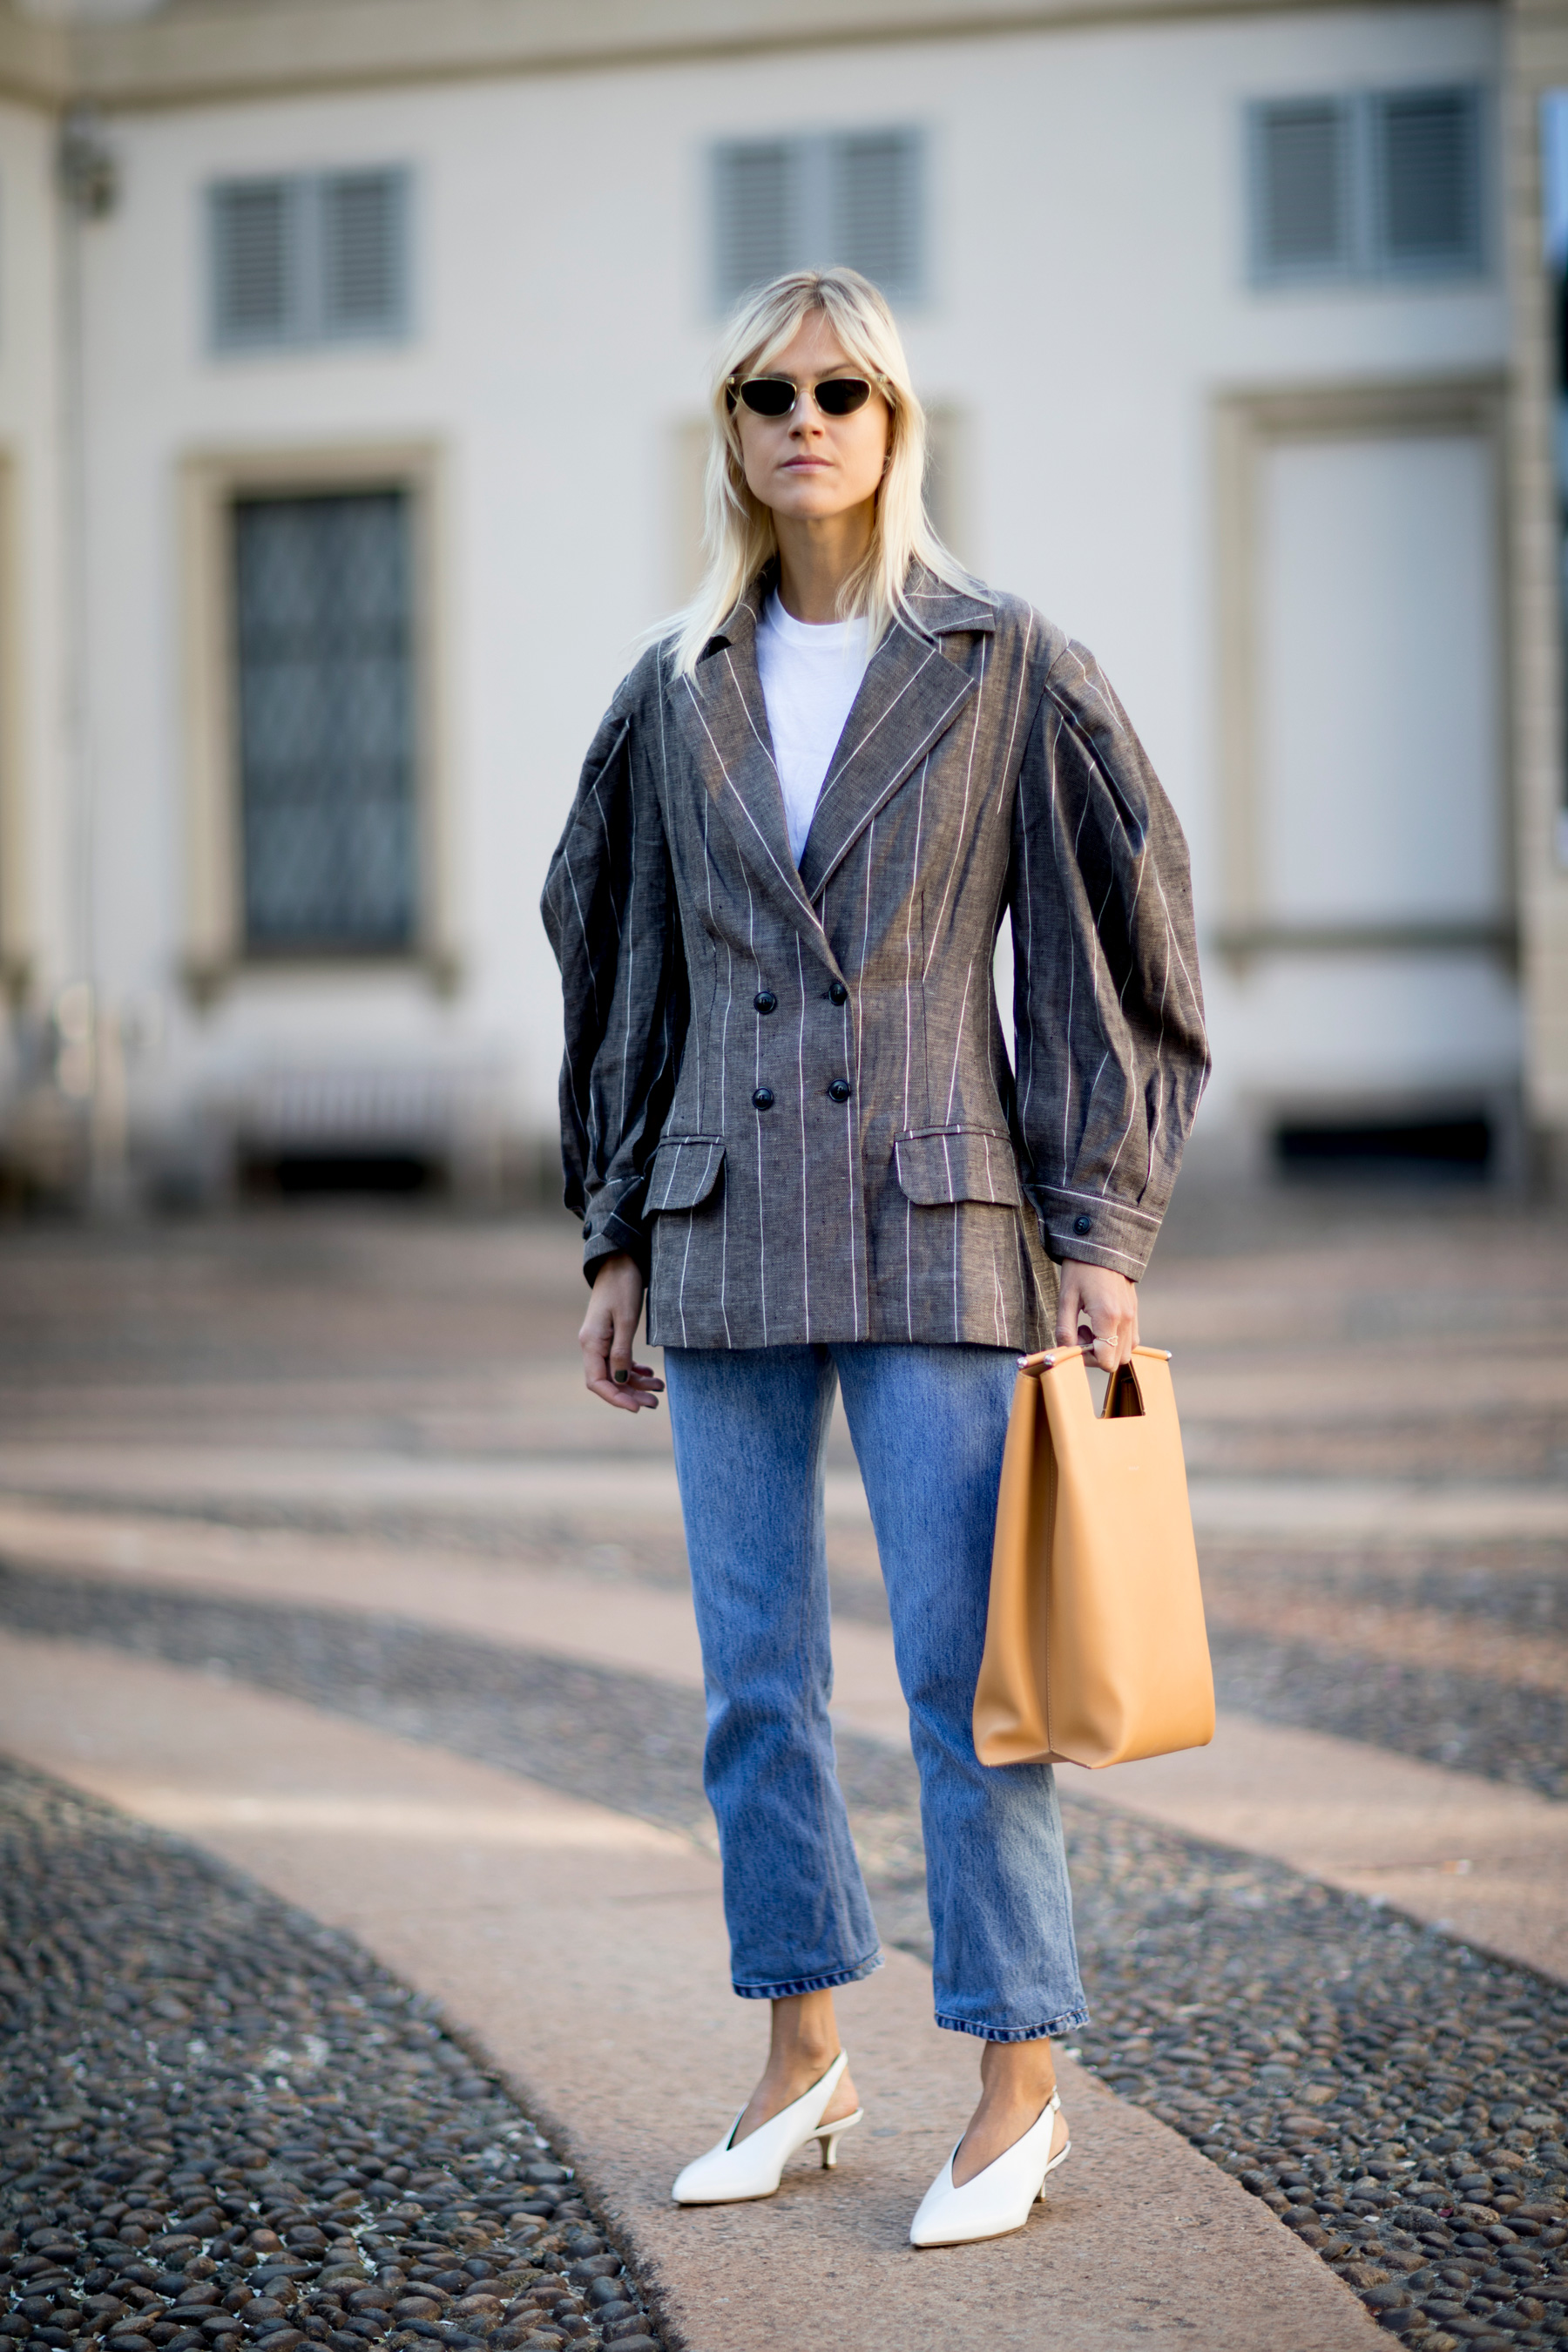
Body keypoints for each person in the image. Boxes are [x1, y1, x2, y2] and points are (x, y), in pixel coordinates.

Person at [542, 267, 1208, 2247]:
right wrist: (613, 1228)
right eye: (770, 393)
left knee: (960, 1676)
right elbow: (620, 962)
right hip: (723, 1219)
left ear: (895, 421)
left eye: (843, 390)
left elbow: (1108, 948)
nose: (806, 421)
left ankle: (1016, 2088)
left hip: (942, 1217)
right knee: (753, 1683)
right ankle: (802, 2058)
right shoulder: (673, 685)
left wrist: (1101, 1232)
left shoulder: (1006, 662)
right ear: (732, 430)